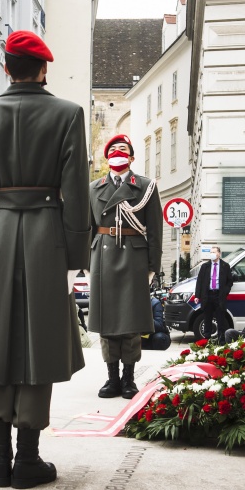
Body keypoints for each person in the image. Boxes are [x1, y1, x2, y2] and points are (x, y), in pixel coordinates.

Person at [0, 30, 90, 490]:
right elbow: (75, 190)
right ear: (43, 69)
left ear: (5, 68)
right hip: (45, 237)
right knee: (38, 341)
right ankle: (28, 458)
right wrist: (75, 254)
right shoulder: (68, 114)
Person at [88, 134, 163, 400]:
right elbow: (87, 228)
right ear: (107, 158)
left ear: (131, 157)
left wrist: (153, 266)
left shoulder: (145, 186)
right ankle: (111, 378)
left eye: (123, 149)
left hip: (134, 257)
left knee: (130, 322)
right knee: (108, 323)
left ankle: (128, 377)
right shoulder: (93, 188)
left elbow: (154, 229)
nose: (117, 152)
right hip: (103, 258)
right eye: (112, 150)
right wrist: (87, 265)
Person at [194, 246, 234, 344]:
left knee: (221, 319)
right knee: (207, 318)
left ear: (219, 254)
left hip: (219, 296)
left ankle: (221, 341)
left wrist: (225, 291)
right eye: (211, 252)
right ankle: (206, 341)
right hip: (207, 295)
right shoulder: (205, 266)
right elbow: (199, 281)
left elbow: (230, 281)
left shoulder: (225, 266)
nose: (212, 254)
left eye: (214, 252)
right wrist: (197, 295)